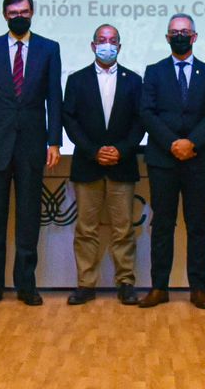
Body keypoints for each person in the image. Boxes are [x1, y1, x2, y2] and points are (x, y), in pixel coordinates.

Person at [0, 0, 62, 306]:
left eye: (23, 11)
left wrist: (54, 141)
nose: (19, 16)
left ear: (32, 12)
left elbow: (54, 97)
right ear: (4, 15)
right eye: (13, 12)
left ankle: (26, 286)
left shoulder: (49, 49)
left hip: (33, 146)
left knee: (28, 220)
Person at [138, 14, 205, 310]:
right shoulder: (154, 71)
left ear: (195, 37)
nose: (180, 36)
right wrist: (173, 142)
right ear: (166, 38)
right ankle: (159, 287)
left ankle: (197, 288)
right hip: (163, 159)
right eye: (174, 32)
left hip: (198, 160)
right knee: (162, 224)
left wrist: (192, 143)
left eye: (185, 31)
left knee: (198, 225)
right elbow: (147, 113)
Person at [61, 24, 144, 306]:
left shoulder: (134, 80)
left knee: (123, 229)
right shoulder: (76, 80)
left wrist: (120, 150)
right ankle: (86, 284)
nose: (106, 44)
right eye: (101, 40)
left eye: (112, 41)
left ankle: (126, 282)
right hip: (88, 163)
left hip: (122, 164)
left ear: (119, 47)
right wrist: (94, 151)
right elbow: (69, 120)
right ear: (92, 45)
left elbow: (140, 122)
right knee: (86, 229)